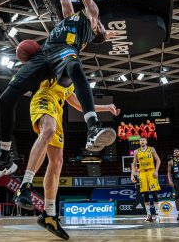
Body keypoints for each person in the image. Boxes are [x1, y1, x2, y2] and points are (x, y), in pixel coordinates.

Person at [0, 0, 116, 182]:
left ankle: (92, 127)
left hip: (63, 52)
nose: (100, 21)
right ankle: (5, 157)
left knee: (74, 65)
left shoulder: (91, 20)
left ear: (96, 28)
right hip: (44, 54)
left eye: (101, 26)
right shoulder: (69, 18)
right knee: (6, 97)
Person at [15, 77, 120, 239]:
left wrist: (106, 107)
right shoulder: (54, 61)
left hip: (57, 109)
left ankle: (49, 214)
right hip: (43, 98)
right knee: (48, 130)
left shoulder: (69, 84)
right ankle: (24, 186)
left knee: (57, 161)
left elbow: (79, 105)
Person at [131, 137, 162, 222]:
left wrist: (156, 171)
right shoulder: (136, 151)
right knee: (145, 194)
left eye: (143, 140)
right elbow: (134, 164)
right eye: (141, 140)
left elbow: (158, 160)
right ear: (139, 142)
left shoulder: (151, 149)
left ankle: (157, 215)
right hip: (142, 173)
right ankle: (149, 216)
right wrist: (132, 175)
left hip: (151, 172)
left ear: (146, 142)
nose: (142, 141)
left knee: (154, 192)